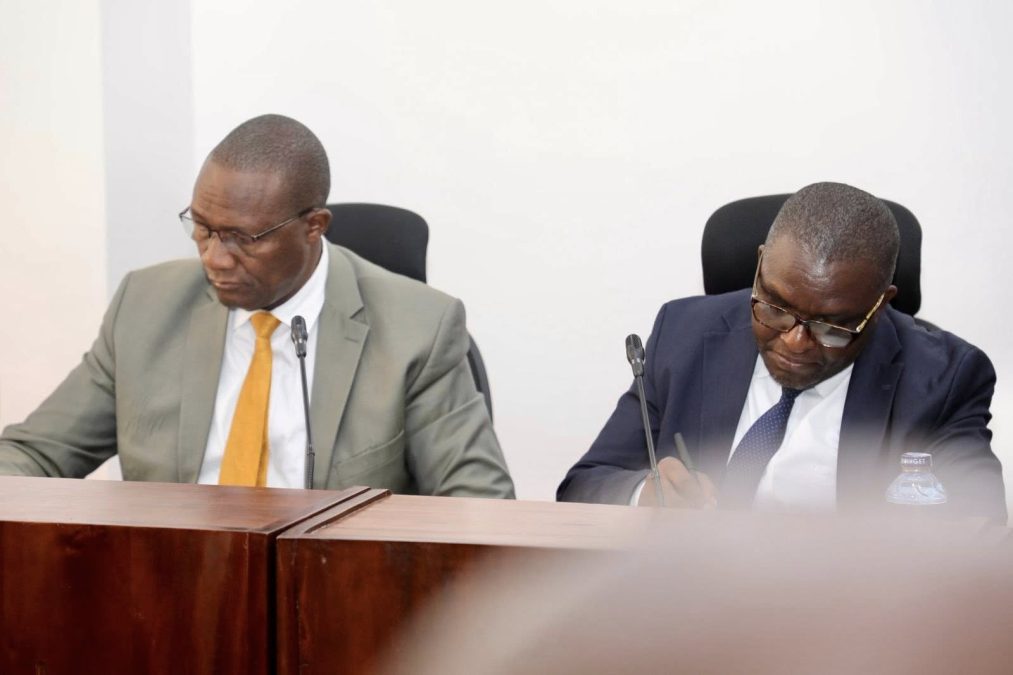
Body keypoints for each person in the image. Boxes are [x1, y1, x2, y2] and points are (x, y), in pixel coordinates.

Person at [0, 114, 514, 498]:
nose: (213, 257)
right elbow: (33, 454)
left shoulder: (417, 328)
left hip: (337, 605)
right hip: (173, 598)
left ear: (314, 227)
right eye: (201, 228)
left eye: (242, 238)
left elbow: (479, 505)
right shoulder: (145, 307)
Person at [558, 182, 1004, 521]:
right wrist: (646, 495)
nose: (794, 341)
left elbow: (977, 528)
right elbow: (584, 487)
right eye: (775, 308)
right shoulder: (684, 335)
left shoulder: (944, 378)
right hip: (686, 610)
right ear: (759, 267)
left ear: (880, 304)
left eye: (830, 326)